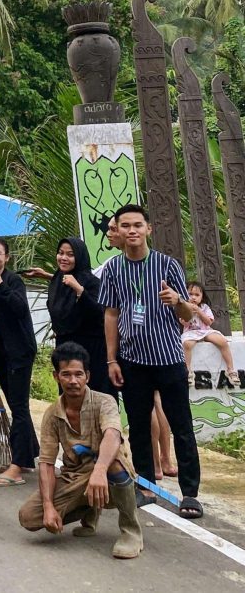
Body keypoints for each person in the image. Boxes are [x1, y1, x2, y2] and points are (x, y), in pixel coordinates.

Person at [100, 203, 203, 518]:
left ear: (148, 228)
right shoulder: (113, 269)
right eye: (125, 226)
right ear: (118, 230)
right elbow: (111, 313)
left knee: (182, 426)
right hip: (132, 362)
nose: (132, 231)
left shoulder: (168, 265)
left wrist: (178, 301)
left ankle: (190, 494)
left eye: (137, 225)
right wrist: (111, 360)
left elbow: (188, 316)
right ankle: (144, 487)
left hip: (168, 359)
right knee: (140, 427)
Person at [18, 342, 142, 559]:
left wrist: (99, 470)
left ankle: (131, 532)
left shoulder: (105, 402)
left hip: (107, 474)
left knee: (113, 463)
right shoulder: (52, 414)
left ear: (88, 376)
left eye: (78, 374)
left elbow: (113, 435)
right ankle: (89, 508)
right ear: (56, 377)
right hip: (75, 476)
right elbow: (46, 462)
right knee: (29, 517)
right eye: (66, 375)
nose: (73, 381)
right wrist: (48, 506)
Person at [0, 238, 39, 486]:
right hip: (1, 352)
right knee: (17, 404)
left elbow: (19, 308)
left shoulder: (13, 281)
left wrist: (0, 283)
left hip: (20, 352)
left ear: (7, 257)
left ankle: (16, 467)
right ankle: (28, 454)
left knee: (19, 406)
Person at [36, 238, 116, 399]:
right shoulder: (58, 279)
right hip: (66, 349)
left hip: (92, 351)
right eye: (60, 253)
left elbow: (99, 313)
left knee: (96, 398)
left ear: (79, 257)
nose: (63, 258)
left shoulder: (91, 282)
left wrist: (79, 289)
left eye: (70, 255)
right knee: (70, 399)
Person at [183, 281, 239, 386]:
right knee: (187, 344)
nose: (194, 297)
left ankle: (231, 370)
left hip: (205, 331)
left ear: (202, 297)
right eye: (190, 294)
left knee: (222, 341)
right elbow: (184, 323)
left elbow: (209, 322)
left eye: (197, 295)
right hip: (191, 332)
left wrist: (199, 311)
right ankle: (188, 371)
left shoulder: (204, 307)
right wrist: (189, 312)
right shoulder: (184, 307)